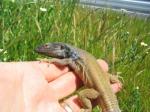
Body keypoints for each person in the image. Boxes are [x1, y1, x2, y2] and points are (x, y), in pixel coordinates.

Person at [0, 59, 122, 112]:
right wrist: (115, 79)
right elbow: (108, 76)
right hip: (105, 86)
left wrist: (88, 108)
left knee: (80, 94)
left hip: (99, 91)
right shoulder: (104, 74)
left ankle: (88, 108)